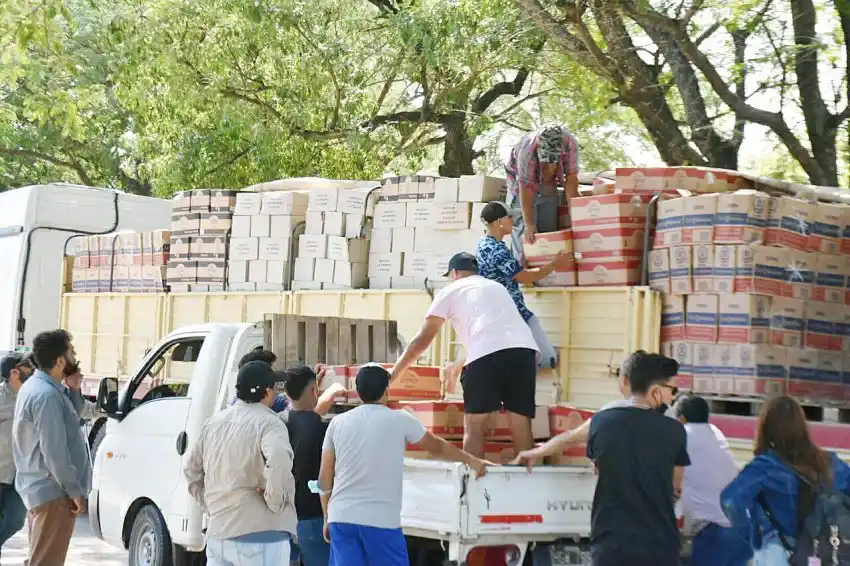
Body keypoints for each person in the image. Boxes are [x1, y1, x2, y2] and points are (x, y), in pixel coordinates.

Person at [319, 364, 488, 566]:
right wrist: (472, 460)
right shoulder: (400, 419)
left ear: (358, 390)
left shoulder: (337, 423)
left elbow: (324, 478)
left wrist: (327, 516)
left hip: (341, 518)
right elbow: (438, 447)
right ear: (386, 390)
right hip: (381, 521)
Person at [390, 252, 540, 458]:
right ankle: (529, 480)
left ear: (455, 273)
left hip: (489, 355)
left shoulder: (451, 290)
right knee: (521, 422)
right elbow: (497, 337)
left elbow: (421, 341)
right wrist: (459, 364)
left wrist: (392, 376)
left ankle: (471, 482)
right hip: (525, 352)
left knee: (475, 426)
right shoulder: (496, 287)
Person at [184, 360, 297, 566]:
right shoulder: (270, 423)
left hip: (218, 533)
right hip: (261, 534)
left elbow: (191, 471)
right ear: (268, 392)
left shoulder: (213, 423)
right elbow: (279, 460)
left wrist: (210, 504)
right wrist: (275, 501)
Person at [584, 352, 687, 566]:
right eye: (671, 390)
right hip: (659, 544)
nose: (673, 398)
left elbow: (598, 468)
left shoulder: (600, 422)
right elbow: (675, 487)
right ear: (656, 391)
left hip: (611, 543)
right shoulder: (675, 431)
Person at [721, 396, 850, 565]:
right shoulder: (831, 462)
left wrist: (756, 535)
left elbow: (731, 500)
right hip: (828, 554)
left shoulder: (766, 466)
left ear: (766, 428)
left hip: (783, 554)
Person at [13, 330, 92, 566]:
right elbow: (54, 452)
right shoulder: (46, 396)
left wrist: (75, 388)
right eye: (71, 352)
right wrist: (75, 491)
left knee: (40, 559)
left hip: (42, 490)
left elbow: (70, 418)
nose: (74, 357)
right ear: (59, 361)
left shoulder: (40, 387)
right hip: (53, 493)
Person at [512, 350, 643, 468]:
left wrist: (535, 452)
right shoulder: (662, 414)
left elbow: (572, 438)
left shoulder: (612, 413)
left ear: (624, 381)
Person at [477, 201, 568, 369]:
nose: (513, 221)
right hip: (513, 313)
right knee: (548, 358)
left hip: (505, 313)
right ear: (499, 222)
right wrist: (554, 264)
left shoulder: (485, 245)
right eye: (509, 217)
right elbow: (523, 277)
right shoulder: (496, 249)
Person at [674, 395, 751, 566]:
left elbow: (671, 481)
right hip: (741, 528)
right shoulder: (716, 433)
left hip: (714, 533)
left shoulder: (682, 436)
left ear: (681, 418)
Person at [505, 124, 580, 264]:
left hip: (549, 183)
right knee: (526, 233)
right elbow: (525, 187)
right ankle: (523, 278)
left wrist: (575, 215)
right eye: (545, 162)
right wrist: (529, 224)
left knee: (548, 233)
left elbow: (571, 179)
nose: (549, 167)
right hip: (519, 182)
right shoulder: (527, 151)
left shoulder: (570, 144)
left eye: (553, 162)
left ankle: (545, 277)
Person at [283, 366, 332, 566]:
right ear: (315, 390)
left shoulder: (276, 423)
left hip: (281, 520)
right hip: (313, 519)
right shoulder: (325, 427)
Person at [0, 353, 34, 557]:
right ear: (14, 372)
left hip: (17, 474)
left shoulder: (30, 397)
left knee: (15, 520)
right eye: (27, 366)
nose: (31, 370)